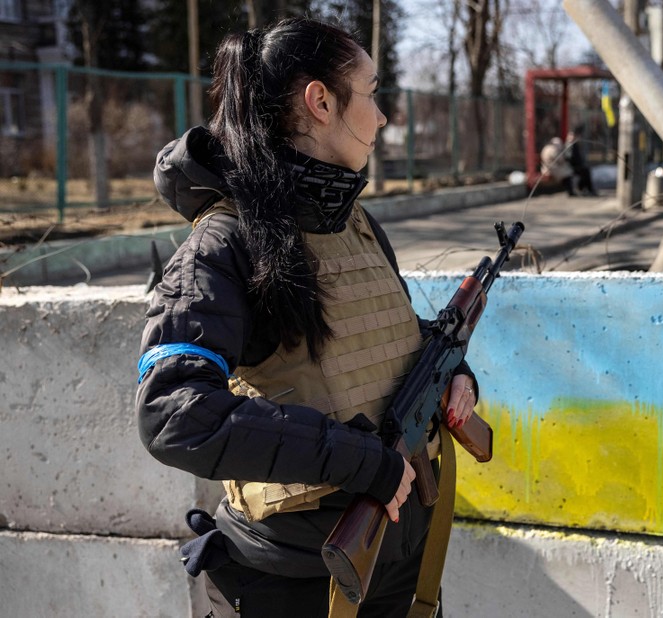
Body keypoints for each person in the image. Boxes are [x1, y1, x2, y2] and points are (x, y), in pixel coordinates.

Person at [135, 17, 478, 618]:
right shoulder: (224, 243)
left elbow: (381, 341)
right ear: (320, 102)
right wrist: (359, 460)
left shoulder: (357, 223)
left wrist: (455, 372)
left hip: (395, 566)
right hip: (292, 585)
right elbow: (173, 413)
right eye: (371, 94)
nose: (382, 116)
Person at [564, 128, 597, 196]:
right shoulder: (568, 145)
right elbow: (568, 157)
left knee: (586, 172)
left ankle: (586, 189)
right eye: (570, 135)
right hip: (571, 167)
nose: (572, 137)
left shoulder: (575, 145)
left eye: (573, 135)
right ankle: (584, 189)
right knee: (584, 172)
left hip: (577, 166)